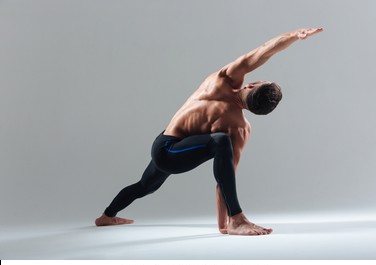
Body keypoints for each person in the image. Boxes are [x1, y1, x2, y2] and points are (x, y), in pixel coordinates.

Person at [95, 27, 323, 235]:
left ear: (252, 85)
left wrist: (295, 35)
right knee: (218, 143)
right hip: (170, 151)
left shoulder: (222, 80)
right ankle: (236, 219)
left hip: (164, 145)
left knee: (145, 186)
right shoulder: (240, 128)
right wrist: (223, 223)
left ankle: (106, 216)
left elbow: (263, 52)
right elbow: (225, 177)